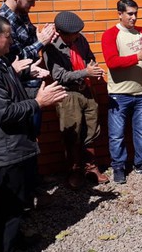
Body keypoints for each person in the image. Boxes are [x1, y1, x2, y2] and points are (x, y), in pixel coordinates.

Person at [0, 14, 67, 252]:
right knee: (7, 209)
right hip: (2, 150)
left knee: (15, 205)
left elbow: (10, 96)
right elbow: (3, 112)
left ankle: (14, 242)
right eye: (8, 36)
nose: (12, 40)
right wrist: (38, 102)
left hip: (13, 146)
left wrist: (24, 78)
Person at [43, 11, 108, 189]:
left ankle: (91, 167)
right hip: (68, 94)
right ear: (61, 33)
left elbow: (89, 57)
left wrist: (94, 68)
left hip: (86, 89)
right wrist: (86, 72)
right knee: (72, 134)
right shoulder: (51, 47)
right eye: (74, 34)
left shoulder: (80, 39)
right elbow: (59, 76)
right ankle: (74, 170)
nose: (78, 36)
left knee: (92, 130)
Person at [101, 0, 142, 184]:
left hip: (141, 92)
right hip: (119, 94)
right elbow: (112, 62)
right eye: (130, 14)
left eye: (136, 13)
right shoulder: (110, 34)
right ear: (120, 14)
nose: (134, 17)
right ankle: (119, 166)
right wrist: (138, 56)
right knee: (117, 134)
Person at [0, 0, 56, 97]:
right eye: (30, 1)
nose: (33, 5)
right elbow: (16, 58)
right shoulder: (3, 22)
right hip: (21, 87)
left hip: (34, 81)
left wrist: (47, 35)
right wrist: (41, 42)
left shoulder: (21, 12)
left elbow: (31, 40)